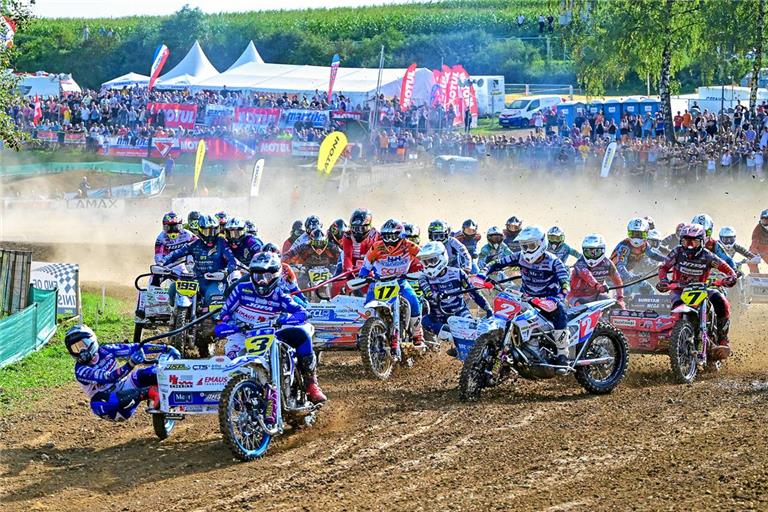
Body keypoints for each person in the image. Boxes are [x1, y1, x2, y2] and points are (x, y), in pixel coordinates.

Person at [216, 252, 326, 403]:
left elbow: (301, 312)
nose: (262, 282)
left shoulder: (280, 293)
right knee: (231, 361)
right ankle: (237, 395)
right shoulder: (241, 290)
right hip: (243, 334)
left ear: (276, 275)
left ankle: (312, 385)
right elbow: (224, 314)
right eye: (257, 276)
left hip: (271, 334)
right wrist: (232, 324)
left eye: (267, 276)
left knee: (302, 336)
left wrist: (284, 319)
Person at [483, 225, 571, 370]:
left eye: (531, 245)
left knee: (560, 311)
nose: (527, 250)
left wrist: (556, 299)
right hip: (526, 298)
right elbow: (497, 263)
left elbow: (565, 284)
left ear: (541, 243)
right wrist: (482, 273)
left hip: (547, 302)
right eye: (524, 246)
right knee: (505, 308)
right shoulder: (520, 256)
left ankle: (563, 355)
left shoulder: (554, 261)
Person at [657, 224, 737, 359]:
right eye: (685, 241)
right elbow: (663, 267)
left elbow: (728, 269)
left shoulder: (708, 256)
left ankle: (723, 340)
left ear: (702, 241)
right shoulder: (677, 252)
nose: (689, 245)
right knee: (676, 310)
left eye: (693, 241)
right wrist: (664, 280)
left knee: (721, 300)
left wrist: (730, 277)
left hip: (702, 289)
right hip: (679, 290)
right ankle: (675, 337)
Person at [66, 325, 174, 421]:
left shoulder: (105, 350)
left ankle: (178, 390)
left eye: (83, 344)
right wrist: (131, 364)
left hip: (126, 385)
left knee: (154, 371)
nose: (81, 351)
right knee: (97, 403)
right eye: (75, 348)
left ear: (92, 340)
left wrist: (165, 348)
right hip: (112, 403)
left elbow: (133, 348)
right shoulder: (81, 370)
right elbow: (109, 377)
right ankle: (150, 392)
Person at [416, 242, 492, 356]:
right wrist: (436, 296)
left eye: (432, 260)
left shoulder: (458, 273)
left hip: (460, 313)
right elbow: (428, 293)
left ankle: (479, 354)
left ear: (442, 257)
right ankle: (454, 346)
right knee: (425, 320)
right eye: (425, 262)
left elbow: (473, 292)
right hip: (438, 317)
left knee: (474, 331)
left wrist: (487, 307)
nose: (429, 265)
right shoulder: (423, 278)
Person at [359, 219, 424, 348]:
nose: (389, 239)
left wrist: (425, 270)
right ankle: (366, 334)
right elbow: (366, 266)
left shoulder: (409, 246)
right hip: (379, 282)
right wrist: (363, 276)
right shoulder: (376, 246)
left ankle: (417, 333)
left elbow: (424, 257)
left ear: (400, 235)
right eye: (386, 236)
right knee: (368, 306)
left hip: (400, 282)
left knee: (414, 301)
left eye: (392, 236)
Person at [163, 215, 236, 306]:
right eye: (207, 231)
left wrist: (226, 272)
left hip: (216, 281)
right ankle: (172, 315)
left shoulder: (222, 242)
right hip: (197, 279)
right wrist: (161, 263)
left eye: (213, 231)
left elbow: (232, 261)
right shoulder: (195, 244)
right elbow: (175, 254)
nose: (210, 235)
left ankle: (213, 318)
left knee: (212, 299)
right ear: (200, 231)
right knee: (173, 288)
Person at [610, 217, 665, 294]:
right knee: (627, 292)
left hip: (626, 276)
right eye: (633, 234)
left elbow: (653, 255)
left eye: (639, 234)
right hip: (613, 276)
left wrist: (669, 259)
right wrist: (630, 277)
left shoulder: (645, 245)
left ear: (646, 234)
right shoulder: (625, 246)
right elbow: (620, 266)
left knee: (649, 290)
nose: (636, 238)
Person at [568, 234, 624, 308]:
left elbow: (618, 282)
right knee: (581, 307)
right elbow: (587, 275)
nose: (592, 255)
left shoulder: (608, 263)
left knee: (615, 306)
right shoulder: (580, 263)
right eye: (588, 252)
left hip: (596, 296)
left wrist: (620, 299)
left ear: (603, 250)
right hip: (575, 297)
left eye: (596, 252)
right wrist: (598, 286)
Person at [342, 208, 378, 272]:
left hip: (370, 264)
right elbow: (347, 256)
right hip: (351, 264)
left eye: (362, 229)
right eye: (354, 228)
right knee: (341, 259)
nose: (358, 232)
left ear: (368, 227)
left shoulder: (375, 234)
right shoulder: (347, 235)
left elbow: (375, 255)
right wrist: (349, 269)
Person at [748, 208, 768, 273]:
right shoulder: (758, 229)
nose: (766, 223)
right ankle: (755, 277)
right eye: (764, 221)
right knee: (751, 258)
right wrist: (755, 256)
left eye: (767, 220)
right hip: (760, 249)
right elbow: (754, 243)